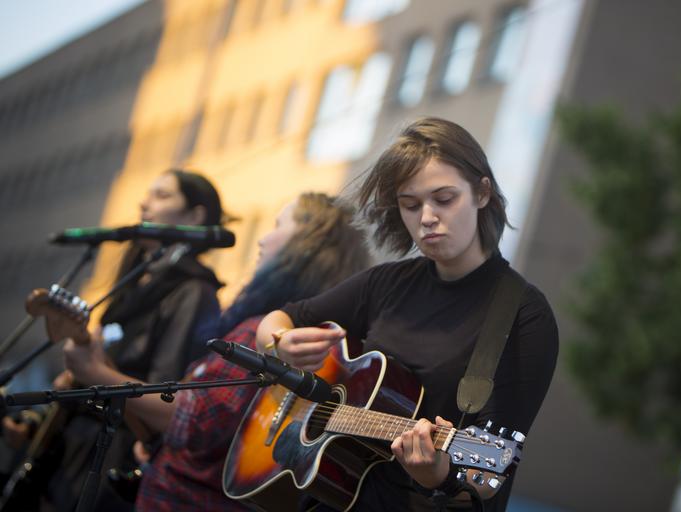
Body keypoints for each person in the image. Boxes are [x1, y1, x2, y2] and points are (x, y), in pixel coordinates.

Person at [255, 117, 559, 511]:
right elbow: (280, 318)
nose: (427, 217)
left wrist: (440, 475)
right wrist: (279, 343)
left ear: (482, 193)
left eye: (444, 199)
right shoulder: (385, 283)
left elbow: (490, 471)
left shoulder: (523, 315)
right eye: (410, 205)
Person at [62, 192, 372, 511]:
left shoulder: (265, 333)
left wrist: (96, 373)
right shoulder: (278, 330)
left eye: (278, 225)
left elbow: (195, 421)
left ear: (307, 246)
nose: (262, 239)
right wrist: (157, 442)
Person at [3, 169, 226, 512]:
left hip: (112, 459)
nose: (144, 203)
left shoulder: (194, 292)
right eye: (148, 194)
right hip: (69, 451)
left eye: (162, 196)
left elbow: (166, 394)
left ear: (195, 216)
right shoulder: (134, 281)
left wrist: (95, 373)